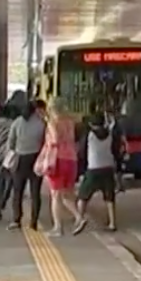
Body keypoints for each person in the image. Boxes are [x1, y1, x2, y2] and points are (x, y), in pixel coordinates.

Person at [73, 110, 123, 234]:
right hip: (108, 167)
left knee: (83, 196)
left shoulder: (89, 135)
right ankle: (112, 223)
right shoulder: (110, 134)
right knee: (109, 197)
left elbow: (82, 153)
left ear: (91, 123)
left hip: (93, 168)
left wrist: (82, 168)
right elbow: (116, 150)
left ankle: (79, 219)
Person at [42, 100, 82, 236]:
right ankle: (78, 217)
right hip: (71, 159)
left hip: (57, 160)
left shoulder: (53, 122)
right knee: (65, 194)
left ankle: (58, 227)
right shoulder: (70, 122)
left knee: (55, 195)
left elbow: (55, 140)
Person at [6, 100, 48, 231]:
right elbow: (45, 141)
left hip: (20, 159)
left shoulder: (17, 122)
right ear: (35, 110)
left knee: (18, 191)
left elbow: (11, 142)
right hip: (36, 158)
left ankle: (16, 220)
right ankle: (33, 222)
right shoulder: (41, 123)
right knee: (35, 192)